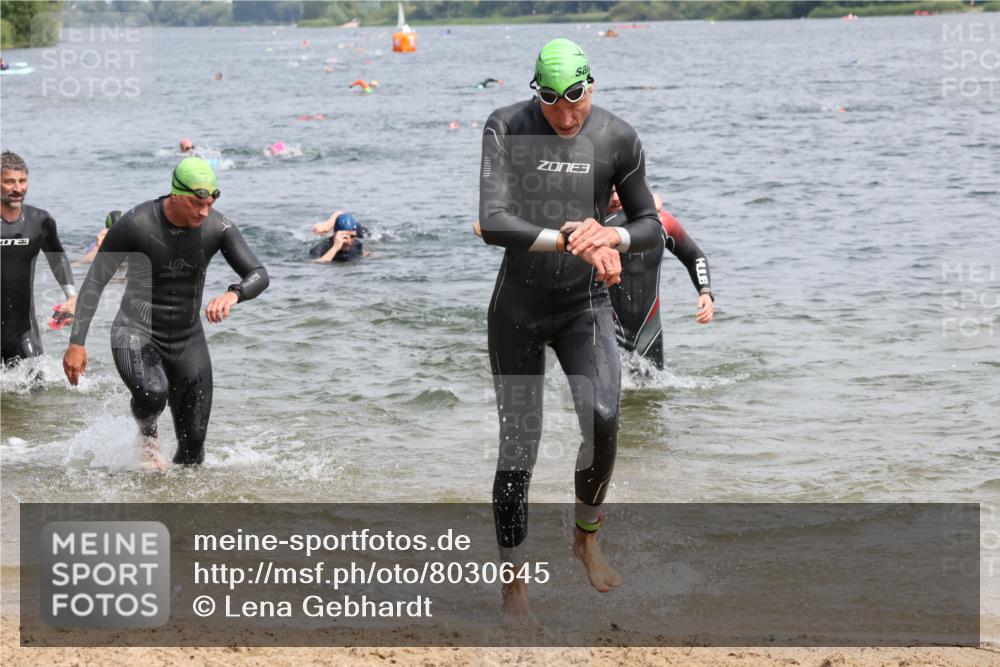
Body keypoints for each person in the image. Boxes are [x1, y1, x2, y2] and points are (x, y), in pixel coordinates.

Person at [478, 39, 663, 622]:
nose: (564, 115)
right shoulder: (505, 125)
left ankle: (586, 535)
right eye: (552, 101)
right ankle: (514, 583)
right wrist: (570, 236)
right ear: (537, 91)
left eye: (576, 98)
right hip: (519, 309)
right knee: (519, 448)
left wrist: (610, 236)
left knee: (605, 418)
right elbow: (494, 220)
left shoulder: (617, 137)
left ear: (592, 85)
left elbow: (650, 225)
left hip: (583, 305)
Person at [63, 158, 269, 469]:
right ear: (176, 195)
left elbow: (258, 273)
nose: (203, 212)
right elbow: (95, 282)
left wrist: (233, 293)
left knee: (194, 447)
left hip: (188, 339)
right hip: (134, 331)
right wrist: (76, 343)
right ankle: (148, 438)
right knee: (152, 391)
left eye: (209, 204)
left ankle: (181, 512)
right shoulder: (136, 224)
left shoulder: (217, 226)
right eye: (196, 204)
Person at [605, 187, 713, 368]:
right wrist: (645, 208)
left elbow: (695, 256)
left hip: (649, 331)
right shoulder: (594, 227)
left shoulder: (662, 223)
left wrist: (705, 292)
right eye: (609, 192)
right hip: (606, 328)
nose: (615, 198)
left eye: (621, 191)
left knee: (653, 393)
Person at [1, 151, 77, 366]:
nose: (18, 188)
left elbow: (57, 258)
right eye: (9, 182)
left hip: (23, 329)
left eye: (22, 181)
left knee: (36, 387)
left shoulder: (40, 221)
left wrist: (71, 297)